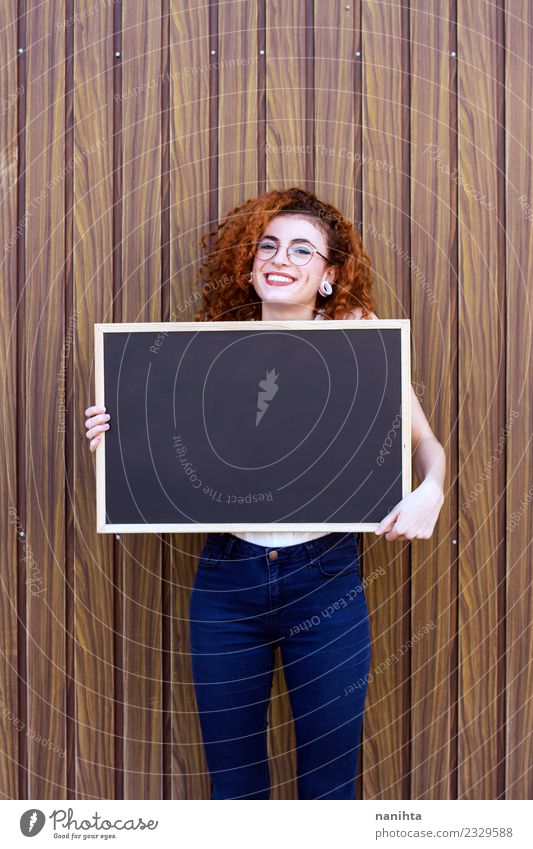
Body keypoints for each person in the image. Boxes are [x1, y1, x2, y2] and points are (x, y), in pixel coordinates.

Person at [84, 187, 445, 799]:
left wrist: (431, 490)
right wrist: (118, 440)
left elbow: (425, 445)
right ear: (250, 264)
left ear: (328, 277)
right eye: (268, 245)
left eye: (303, 250)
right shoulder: (198, 357)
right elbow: (174, 460)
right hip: (227, 581)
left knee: (330, 794)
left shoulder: (361, 346)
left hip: (325, 578)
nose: (281, 258)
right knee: (235, 793)